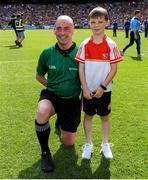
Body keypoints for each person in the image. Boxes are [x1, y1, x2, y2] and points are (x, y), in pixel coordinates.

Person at [35, 15, 81, 172]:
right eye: (59, 28)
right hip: (52, 96)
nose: (62, 32)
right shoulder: (47, 53)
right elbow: (39, 76)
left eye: (66, 28)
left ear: (73, 29)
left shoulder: (81, 53)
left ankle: (60, 122)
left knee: (68, 142)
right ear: (54, 31)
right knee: (42, 112)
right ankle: (45, 153)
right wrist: (53, 86)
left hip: (72, 100)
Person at [75, 7, 122, 160]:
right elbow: (80, 67)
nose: (96, 25)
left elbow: (114, 69)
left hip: (105, 90)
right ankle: (88, 144)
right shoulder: (84, 44)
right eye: (93, 22)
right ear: (89, 23)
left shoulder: (111, 44)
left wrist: (102, 87)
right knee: (88, 117)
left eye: (100, 21)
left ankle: (105, 144)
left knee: (105, 117)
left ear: (107, 22)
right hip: (88, 90)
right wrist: (84, 87)